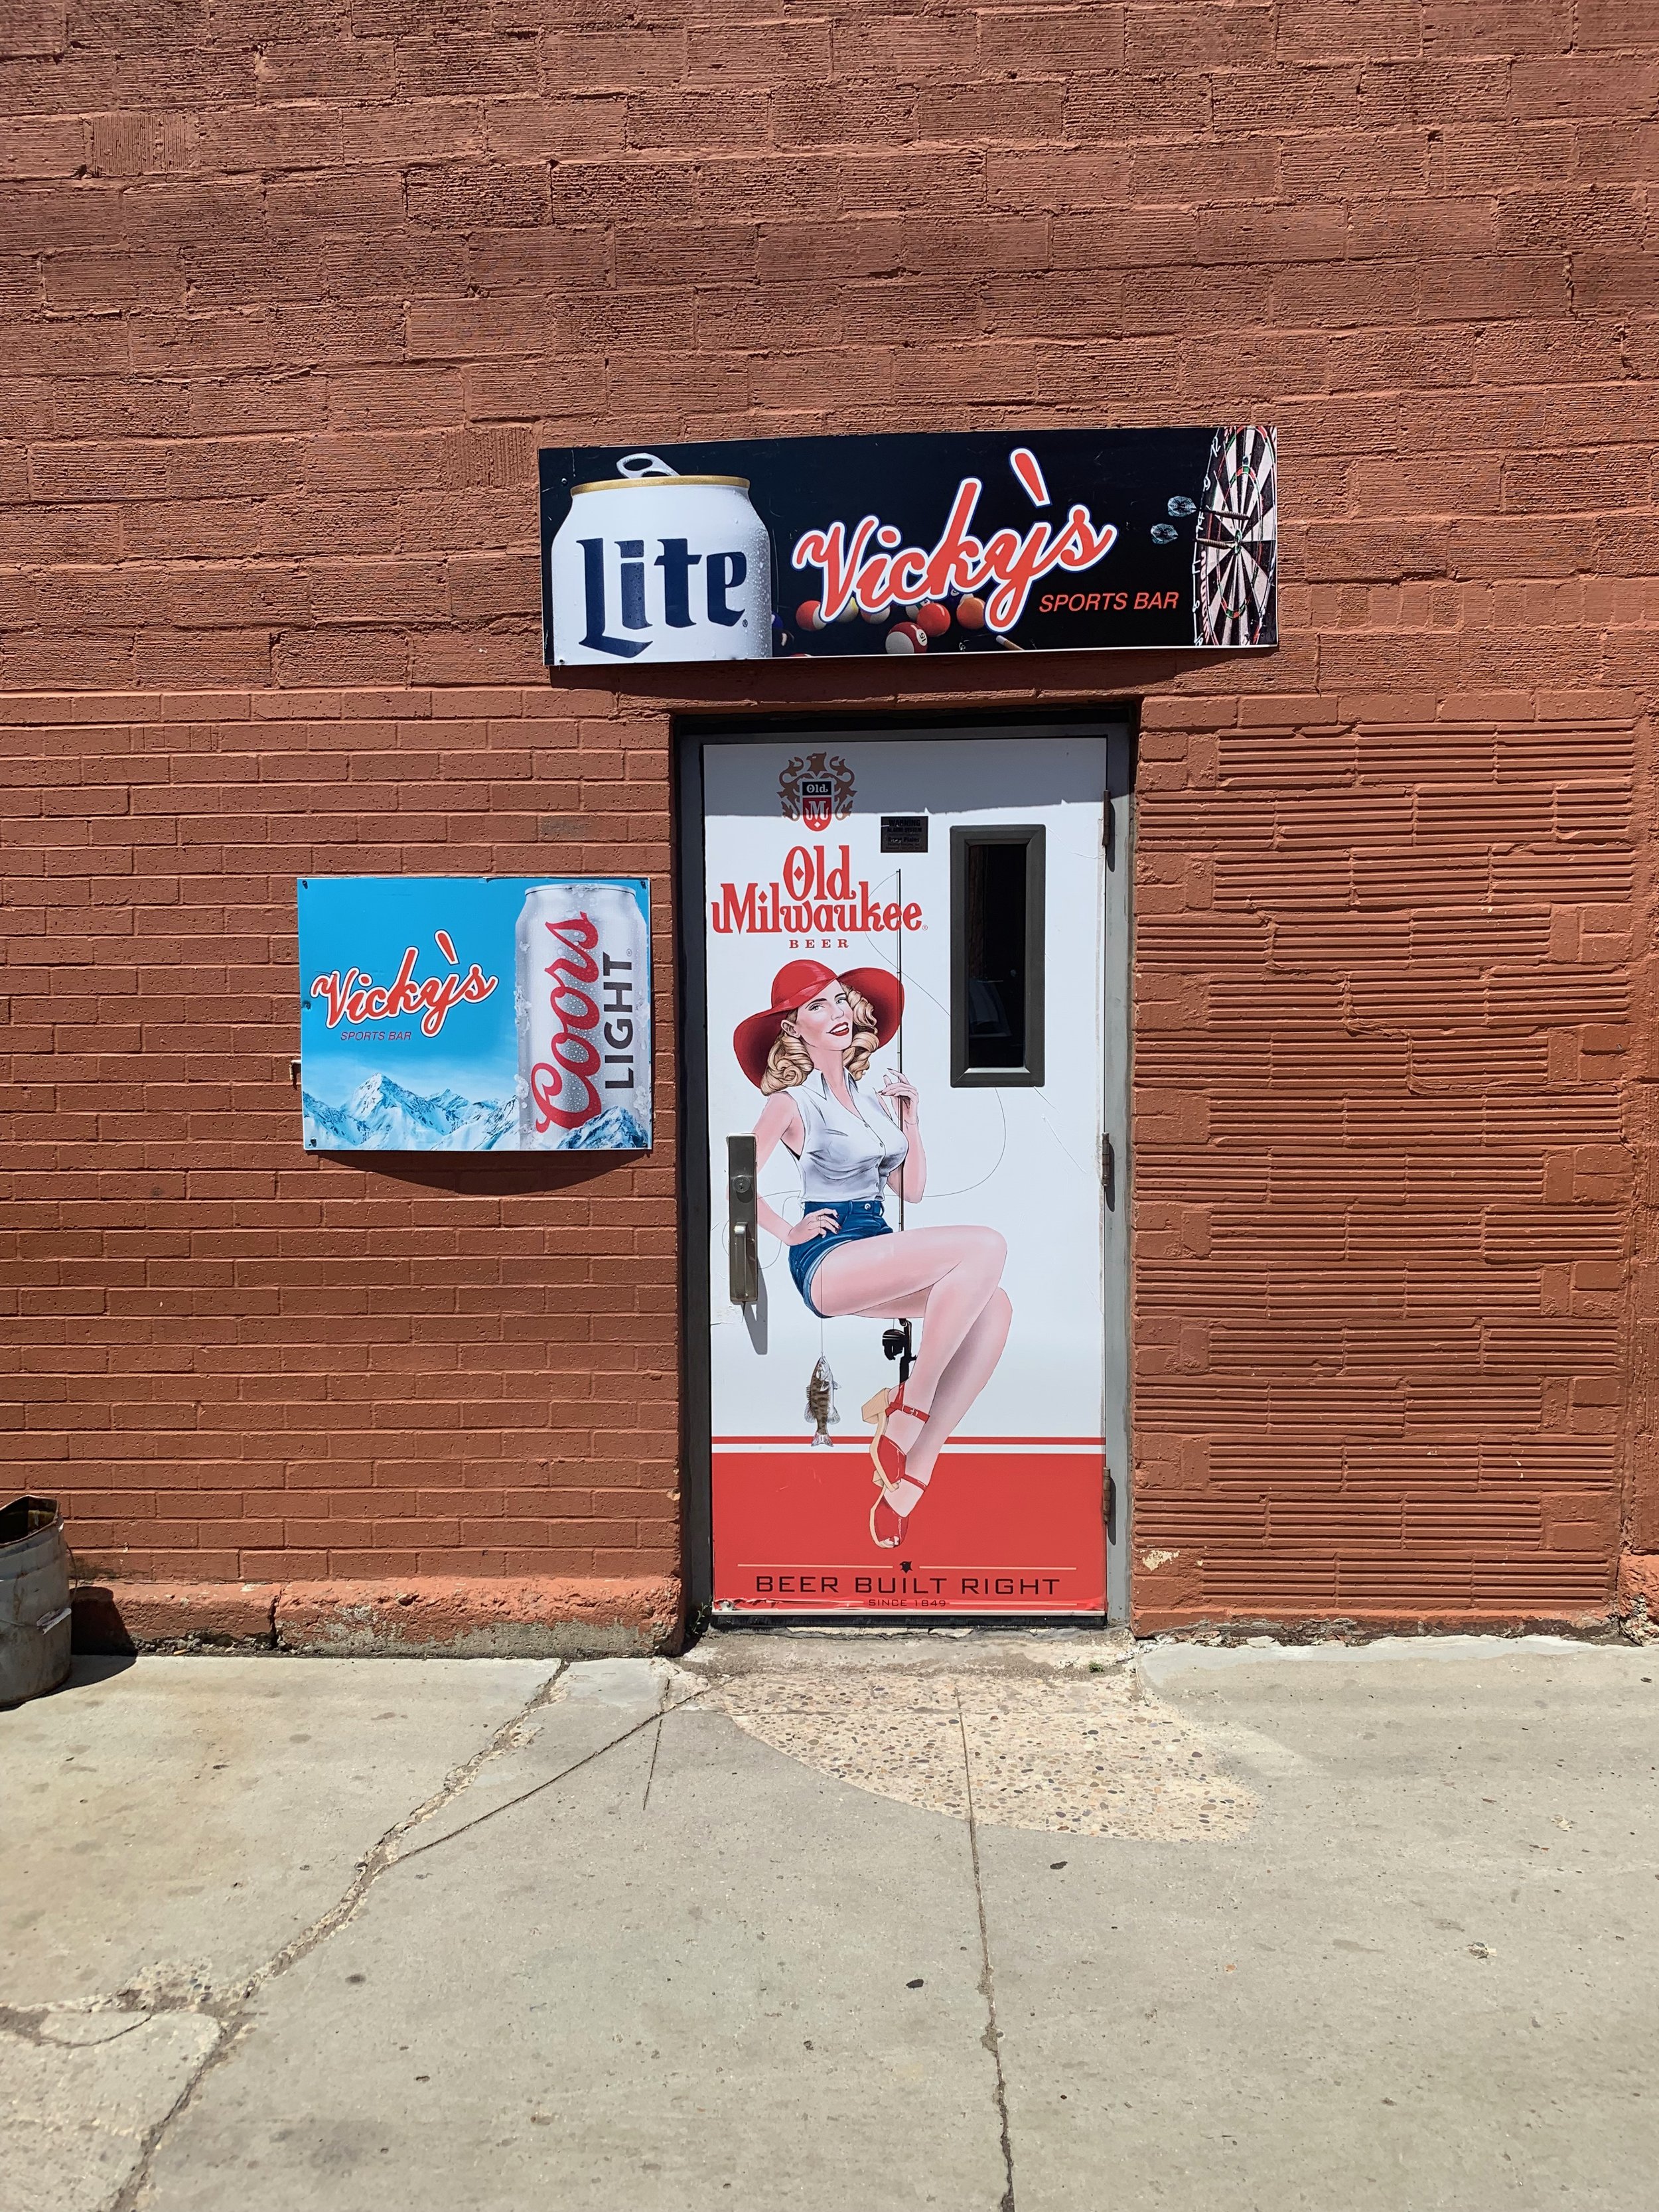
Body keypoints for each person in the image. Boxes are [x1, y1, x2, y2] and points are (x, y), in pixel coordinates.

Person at [734, 959, 1011, 1549]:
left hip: (878, 1244)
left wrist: (911, 1121)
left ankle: (914, 1472)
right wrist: (787, 1230)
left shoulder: (872, 1099)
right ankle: (908, 1409)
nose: (835, 1014)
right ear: (794, 1028)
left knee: (997, 1306)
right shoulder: (791, 1102)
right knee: (987, 1245)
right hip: (829, 1254)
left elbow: (910, 1190)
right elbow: (733, 1177)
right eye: (816, 1007)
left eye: (839, 1001)